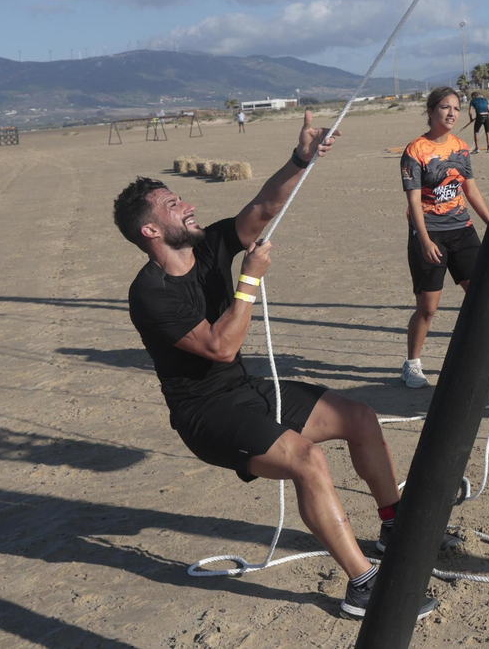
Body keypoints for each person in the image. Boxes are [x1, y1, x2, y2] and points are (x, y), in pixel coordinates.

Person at [114, 115, 439, 621]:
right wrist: (249, 281)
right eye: (173, 205)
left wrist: (300, 158)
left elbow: (264, 207)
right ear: (151, 230)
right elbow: (221, 347)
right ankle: (363, 585)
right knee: (307, 459)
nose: (188, 206)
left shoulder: (207, 245)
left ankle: (393, 526)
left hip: (245, 390)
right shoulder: (150, 294)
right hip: (206, 415)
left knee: (359, 417)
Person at [401, 87, 489, 390]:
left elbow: (470, 189)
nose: (451, 113)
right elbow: (413, 202)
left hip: (462, 230)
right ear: (431, 111)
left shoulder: (461, 148)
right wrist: (424, 240)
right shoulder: (415, 151)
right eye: (444, 107)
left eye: (455, 108)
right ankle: (411, 365)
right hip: (430, 233)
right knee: (428, 308)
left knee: (482, 296)